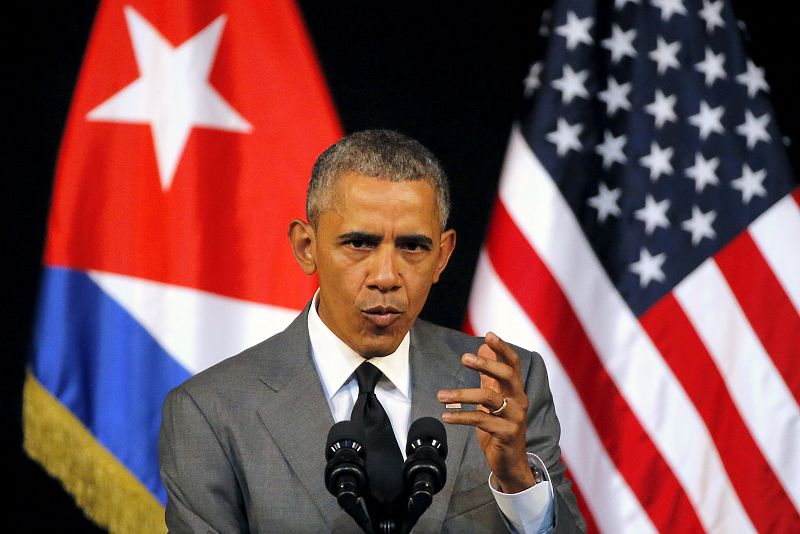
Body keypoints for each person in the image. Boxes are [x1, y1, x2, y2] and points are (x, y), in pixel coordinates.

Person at [159, 129, 585, 533]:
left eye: (412, 246)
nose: (386, 276)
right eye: (359, 243)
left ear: (442, 255)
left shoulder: (502, 383)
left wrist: (518, 484)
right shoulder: (210, 411)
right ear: (307, 247)